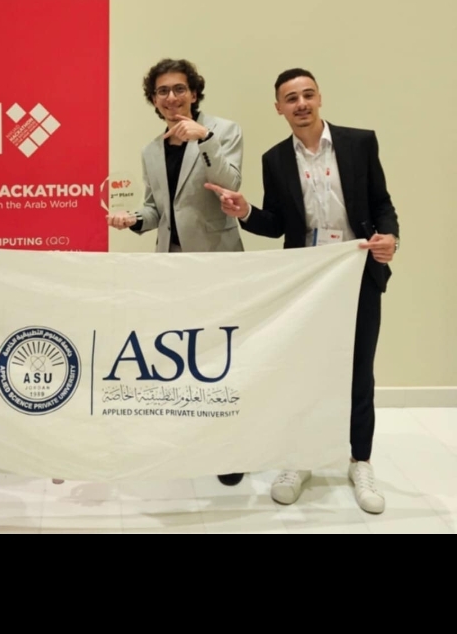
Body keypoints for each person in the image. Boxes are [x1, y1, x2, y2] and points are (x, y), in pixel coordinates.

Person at [206, 69, 399, 514]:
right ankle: (299, 458)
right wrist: (246, 211)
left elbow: (382, 202)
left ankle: (360, 461)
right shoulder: (275, 159)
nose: (301, 104)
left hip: (356, 270)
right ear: (279, 108)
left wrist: (391, 237)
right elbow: (277, 225)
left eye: (307, 94)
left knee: (358, 370)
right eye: (291, 98)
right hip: (307, 279)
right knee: (302, 370)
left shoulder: (359, 143)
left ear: (319, 98)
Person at [107, 56, 245, 486]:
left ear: (195, 92)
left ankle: (230, 450)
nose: (172, 97)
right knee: (183, 355)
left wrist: (205, 139)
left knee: (223, 356)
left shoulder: (223, 130)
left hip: (217, 260)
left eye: (179, 89)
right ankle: (188, 440)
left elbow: (231, 185)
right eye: (162, 91)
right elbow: (156, 208)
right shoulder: (151, 150)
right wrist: (134, 218)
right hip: (172, 265)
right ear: (154, 100)